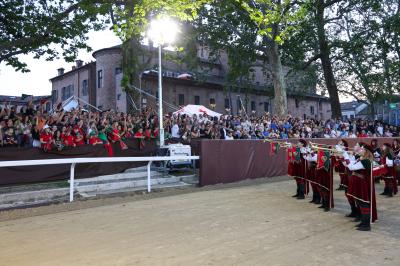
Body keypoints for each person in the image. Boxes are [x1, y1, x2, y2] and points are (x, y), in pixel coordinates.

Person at [343, 143, 377, 231]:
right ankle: (363, 221)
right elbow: (350, 164)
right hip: (358, 182)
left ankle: (366, 225)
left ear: (366, 151)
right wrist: (347, 159)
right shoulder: (362, 158)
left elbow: (351, 167)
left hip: (361, 183)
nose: (360, 150)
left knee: (363, 202)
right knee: (359, 202)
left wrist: (346, 156)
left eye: (362, 149)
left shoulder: (366, 161)